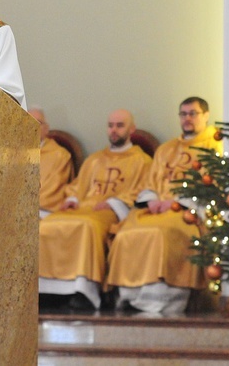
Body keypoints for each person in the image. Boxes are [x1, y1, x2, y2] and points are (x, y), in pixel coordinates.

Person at [105, 97, 223, 314]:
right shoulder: (166, 149)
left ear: (206, 116)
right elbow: (150, 181)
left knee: (162, 233)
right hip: (157, 207)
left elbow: (213, 186)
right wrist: (152, 200)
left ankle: (162, 300)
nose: (187, 119)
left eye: (193, 113)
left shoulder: (215, 146)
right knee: (127, 233)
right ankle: (130, 296)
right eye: (183, 114)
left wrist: (176, 202)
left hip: (188, 210)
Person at [39, 109, 152, 309]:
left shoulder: (142, 161)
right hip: (83, 208)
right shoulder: (95, 159)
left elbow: (141, 191)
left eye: (120, 125)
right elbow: (77, 186)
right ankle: (45, 290)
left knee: (87, 227)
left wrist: (113, 203)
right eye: (110, 126)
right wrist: (73, 198)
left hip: (109, 213)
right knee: (45, 225)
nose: (114, 130)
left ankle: (83, 291)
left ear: (131, 129)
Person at [28, 107, 74, 219]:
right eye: (27, 121)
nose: (32, 126)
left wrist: (27, 205)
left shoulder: (60, 155)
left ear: (46, 128)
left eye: (37, 122)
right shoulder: (13, 153)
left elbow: (54, 188)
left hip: (42, 211)